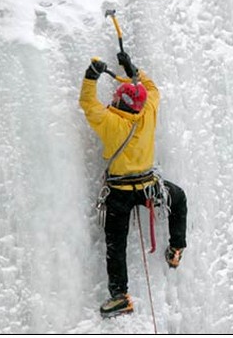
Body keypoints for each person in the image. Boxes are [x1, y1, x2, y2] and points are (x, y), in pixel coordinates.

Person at [79, 52, 187, 318]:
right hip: (149, 187)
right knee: (178, 197)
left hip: (120, 193)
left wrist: (91, 76)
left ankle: (119, 296)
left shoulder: (110, 122)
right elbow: (151, 89)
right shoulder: (148, 112)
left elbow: (88, 103)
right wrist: (134, 70)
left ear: (120, 102)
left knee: (116, 241)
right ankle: (176, 249)